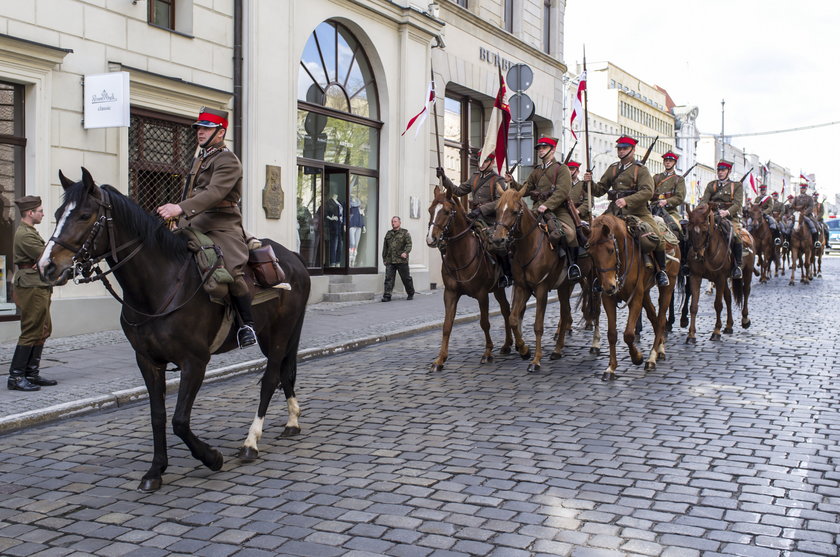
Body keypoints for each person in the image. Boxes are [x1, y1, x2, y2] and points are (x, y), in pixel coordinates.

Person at [156, 107, 256, 348]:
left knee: (231, 268)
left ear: (220, 133)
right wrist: (176, 218)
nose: (200, 132)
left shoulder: (228, 160)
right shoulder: (200, 158)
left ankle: (246, 325)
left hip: (222, 224)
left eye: (206, 128)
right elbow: (189, 191)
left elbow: (215, 193)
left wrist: (180, 208)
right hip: (192, 222)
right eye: (199, 128)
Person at [582, 136, 669, 286]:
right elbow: (599, 190)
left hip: (638, 211)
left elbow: (648, 191)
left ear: (633, 150)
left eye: (625, 148)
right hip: (614, 212)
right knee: (593, 237)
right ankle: (597, 276)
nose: (621, 151)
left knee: (656, 238)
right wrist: (588, 183)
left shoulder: (641, 170)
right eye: (619, 148)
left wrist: (627, 200)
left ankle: (661, 271)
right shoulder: (613, 168)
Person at [504, 136, 581, 281]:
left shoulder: (561, 168)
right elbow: (525, 190)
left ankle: (572, 266)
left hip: (558, 210)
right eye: (539, 148)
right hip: (537, 209)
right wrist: (512, 182)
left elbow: (562, 191)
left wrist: (548, 205)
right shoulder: (537, 171)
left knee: (570, 234)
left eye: (544, 147)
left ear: (553, 149)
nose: (540, 150)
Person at [436, 151, 512, 287]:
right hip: (473, 217)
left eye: (484, 161)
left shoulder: (498, 180)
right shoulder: (475, 177)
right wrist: (444, 177)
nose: (481, 164)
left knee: (496, 244)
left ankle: (506, 275)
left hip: (489, 219)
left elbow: (500, 201)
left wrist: (481, 209)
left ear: (491, 162)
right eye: (479, 161)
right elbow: (457, 191)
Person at [8, 196, 57, 391]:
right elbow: (48, 256)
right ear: (30, 213)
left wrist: (45, 259)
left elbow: (45, 257)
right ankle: (16, 377)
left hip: (38, 283)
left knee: (43, 329)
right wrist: (45, 258)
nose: (43, 214)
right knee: (31, 330)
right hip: (31, 285)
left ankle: (31, 373)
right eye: (40, 211)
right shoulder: (25, 234)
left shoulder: (30, 232)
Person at [698, 160, 745, 279]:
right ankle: (692, 261)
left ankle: (737, 266)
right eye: (719, 170)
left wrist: (727, 212)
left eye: (723, 170)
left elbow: (738, 204)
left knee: (735, 235)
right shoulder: (711, 185)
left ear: (729, 171)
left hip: (730, 216)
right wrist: (703, 210)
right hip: (712, 215)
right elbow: (704, 200)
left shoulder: (737, 186)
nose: (720, 173)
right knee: (696, 231)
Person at [651, 151, 686, 240]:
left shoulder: (679, 179)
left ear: (674, 163)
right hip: (654, 208)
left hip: (670, 211)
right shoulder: (656, 177)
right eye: (666, 160)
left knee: (680, 228)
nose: (667, 162)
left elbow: (680, 197)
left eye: (670, 161)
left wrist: (667, 201)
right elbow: (649, 192)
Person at [381, 216, 415, 302]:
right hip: (390, 260)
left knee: (406, 278)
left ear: (399, 222)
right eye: (392, 221)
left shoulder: (405, 232)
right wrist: (384, 258)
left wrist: (406, 252)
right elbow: (385, 247)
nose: (393, 223)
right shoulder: (388, 233)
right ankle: (387, 295)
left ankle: (410, 293)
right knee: (388, 278)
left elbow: (409, 244)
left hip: (401, 260)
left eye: (395, 221)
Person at [791, 183, 821, 249]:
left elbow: (811, 207)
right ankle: (787, 241)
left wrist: (804, 213)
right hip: (797, 215)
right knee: (789, 226)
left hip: (807, 215)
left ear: (806, 189)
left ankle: (816, 241)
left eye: (804, 188)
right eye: (801, 188)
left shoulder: (809, 198)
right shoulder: (796, 198)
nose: (802, 190)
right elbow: (792, 206)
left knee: (815, 225)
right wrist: (795, 212)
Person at [348, 196, 366, 267]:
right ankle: (349, 260)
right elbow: (347, 215)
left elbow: (361, 217)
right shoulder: (350, 206)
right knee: (352, 243)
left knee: (356, 245)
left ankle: (353, 261)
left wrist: (363, 226)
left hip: (359, 226)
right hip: (352, 225)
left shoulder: (359, 207)